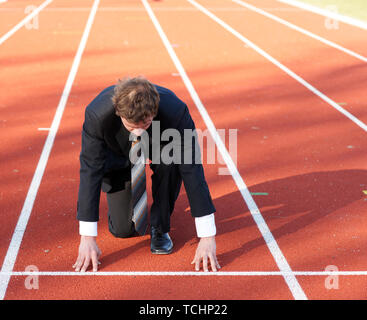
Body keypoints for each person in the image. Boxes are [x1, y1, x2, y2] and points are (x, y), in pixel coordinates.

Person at [72, 76, 220, 273]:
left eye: (146, 124)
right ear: (118, 112)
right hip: (118, 153)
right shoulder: (96, 115)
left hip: (162, 142)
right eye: (133, 126)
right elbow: (90, 170)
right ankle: (126, 205)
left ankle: (160, 226)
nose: (139, 133)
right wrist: (87, 238)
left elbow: (192, 170)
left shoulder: (176, 113)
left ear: (155, 111)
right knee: (122, 230)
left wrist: (207, 237)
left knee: (171, 164)